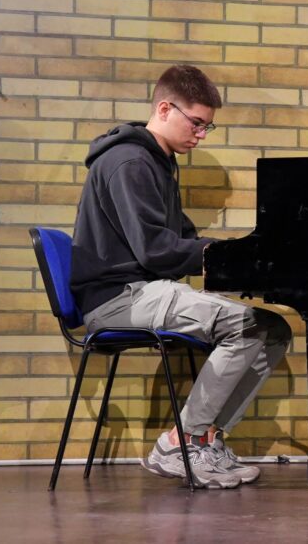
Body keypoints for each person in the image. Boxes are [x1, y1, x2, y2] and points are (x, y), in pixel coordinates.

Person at [70, 65, 292, 489]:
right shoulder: (129, 162)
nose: (201, 135)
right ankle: (181, 443)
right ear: (164, 108)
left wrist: (239, 256)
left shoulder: (158, 162)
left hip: (143, 291)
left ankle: (206, 439)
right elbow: (155, 250)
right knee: (245, 325)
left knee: (273, 329)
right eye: (197, 123)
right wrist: (225, 257)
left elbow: (182, 237)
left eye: (207, 126)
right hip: (117, 297)